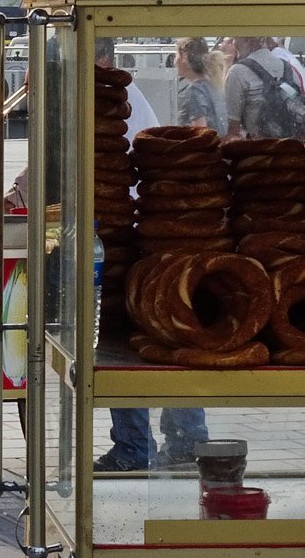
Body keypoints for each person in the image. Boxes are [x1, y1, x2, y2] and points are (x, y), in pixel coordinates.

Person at [92, 43, 206, 472]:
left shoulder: (104, 95)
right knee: (174, 333)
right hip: (145, 225)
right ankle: (188, 440)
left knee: (118, 340)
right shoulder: (120, 94)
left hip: (122, 231)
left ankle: (136, 447)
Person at [226, 35, 305, 140]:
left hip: (259, 151)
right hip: (292, 149)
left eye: (234, 39)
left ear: (247, 40)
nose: (234, 44)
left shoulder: (237, 72)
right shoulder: (289, 68)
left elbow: (232, 129)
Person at [176, 38, 227, 134]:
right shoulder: (213, 85)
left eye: (176, 56)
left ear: (184, 57)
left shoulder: (194, 90)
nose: (175, 61)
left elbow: (199, 131)